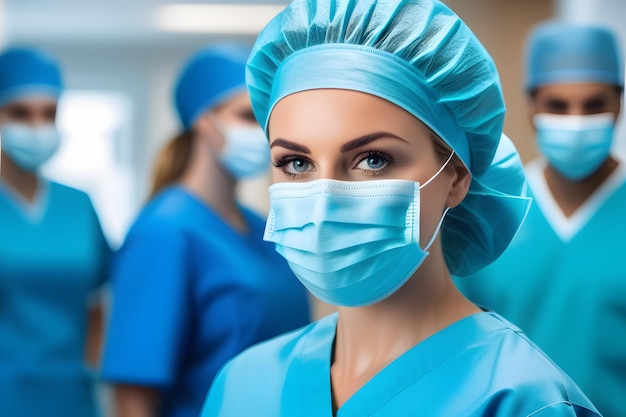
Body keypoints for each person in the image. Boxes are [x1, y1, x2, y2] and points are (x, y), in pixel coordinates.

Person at [200, 1, 602, 416]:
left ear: (457, 178)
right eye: (296, 163)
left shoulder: (521, 400)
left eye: (373, 159)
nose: (324, 199)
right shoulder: (242, 384)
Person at [101, 43, 311, 417]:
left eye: (269, 118)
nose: (264, 132)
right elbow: (133, 396)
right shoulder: (163, 233)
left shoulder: (262, 229)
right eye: (248, 116)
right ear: (204, 121)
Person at [455, 21, 625, 417]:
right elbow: (463, 349)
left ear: (619, 104)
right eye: (558, 106)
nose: (576, 120)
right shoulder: (492, 209)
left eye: (594, 105)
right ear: (532, 106)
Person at [0, 47, 110, 417]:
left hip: (73, 396)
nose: (36, 126)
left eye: (48, 114)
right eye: (20, 113)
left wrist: (92, 376)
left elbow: (97, 302)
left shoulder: (78, 204)